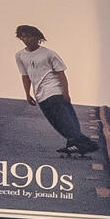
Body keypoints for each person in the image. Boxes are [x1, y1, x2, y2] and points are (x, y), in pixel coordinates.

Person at [15, 25, 100, 155]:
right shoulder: (20, 55)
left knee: (65, 120)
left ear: (38, 38)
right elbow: (25, 75)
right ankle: (74, 144)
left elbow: (61, 74)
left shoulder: (49, 54)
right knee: (58, 122)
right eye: (23, 36)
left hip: (54, 91)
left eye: (30, 36)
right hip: (40, 94)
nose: (27, 39)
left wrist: (65, 92)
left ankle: (87, 144)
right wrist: (27, 94)